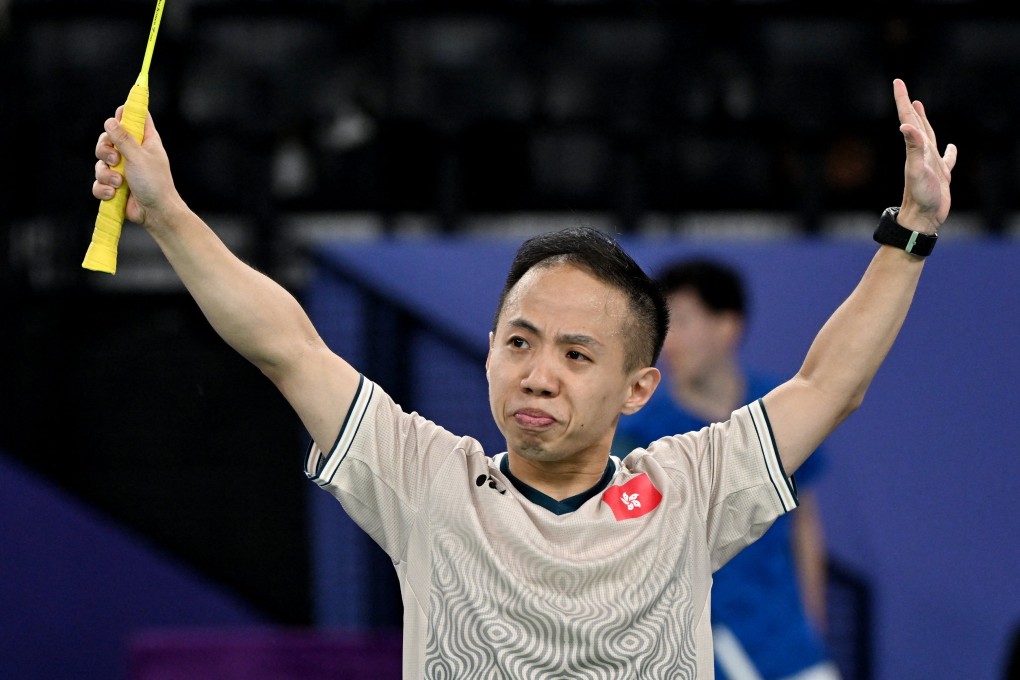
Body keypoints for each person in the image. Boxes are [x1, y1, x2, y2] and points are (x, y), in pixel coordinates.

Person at [90, 78, 955, 678]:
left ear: (637, 390)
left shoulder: (690, 488)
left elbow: (828, 385)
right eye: (520, 343)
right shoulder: (428, 481)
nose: (538, 375)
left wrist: (913, 229)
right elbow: (289, 345)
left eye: (577, 356)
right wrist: (164, 213)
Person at [613, 259, 840, 680]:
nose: (668, 341)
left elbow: (805, 521)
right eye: (662, 326)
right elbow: (628, 536)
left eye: (680, 322)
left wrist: (812, 619)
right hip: (697, 649)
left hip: (787, 644)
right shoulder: (639, 432)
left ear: (727, 327)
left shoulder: (779, 409)